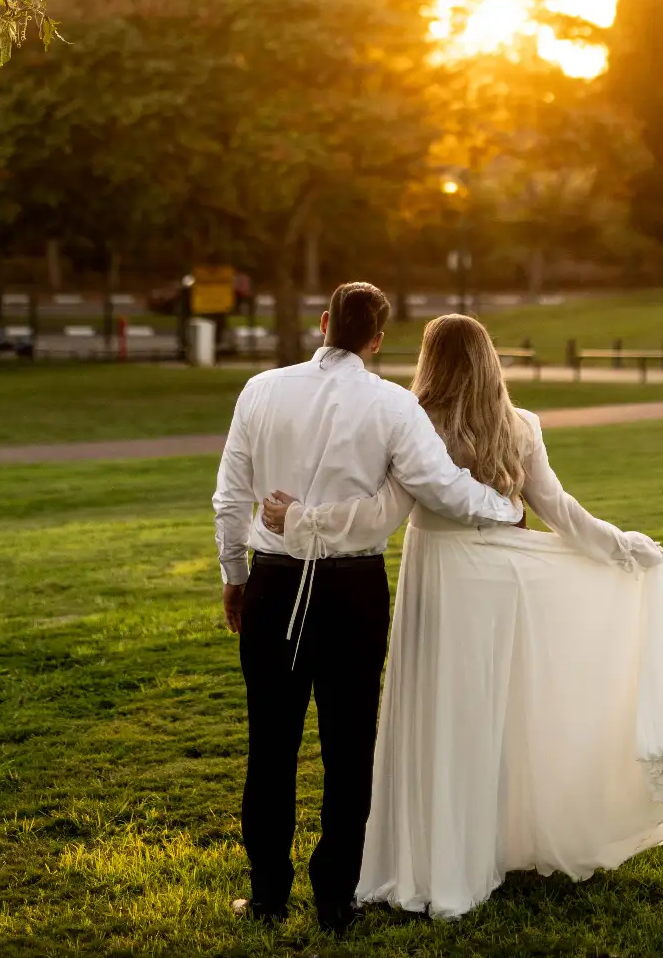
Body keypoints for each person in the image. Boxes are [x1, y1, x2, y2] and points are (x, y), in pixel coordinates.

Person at [261, 312, 663, 921]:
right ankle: (489, 847)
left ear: (430, 361)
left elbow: (381, 513)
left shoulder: (412, 421)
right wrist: (621, 546)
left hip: (440, 581)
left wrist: (303, 519)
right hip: (500, 585)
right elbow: (558, 509)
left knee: (438, 717)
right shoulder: (518, 425)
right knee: (492, 718)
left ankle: (439, 859)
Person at [212, 282, 524, 936]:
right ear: (377, 340)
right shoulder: (393, 405)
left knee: (270, 746)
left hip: (272, 582)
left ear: (324, 322)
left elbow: (231, 494)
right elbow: (441, 486)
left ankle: (267, 896)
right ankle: (336, 900)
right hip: (353, 593)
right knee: (349, 748)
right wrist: (505, 507)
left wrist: (234, 575)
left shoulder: (260, 390)